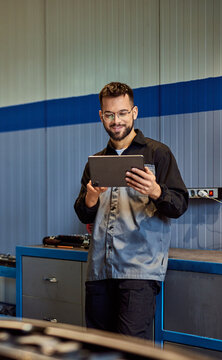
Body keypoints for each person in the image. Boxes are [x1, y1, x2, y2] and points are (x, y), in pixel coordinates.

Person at [74, 82, 188, 339]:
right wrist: (91, 198)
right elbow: (83, 213)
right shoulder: (96, 162)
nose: (117, 120)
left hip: (139, 272)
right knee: (97, 349)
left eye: (123, 113)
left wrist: (156, 191)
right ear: (101, 116)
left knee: (130, 349)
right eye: (110, 114)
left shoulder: (158, 154)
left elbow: (179, 205)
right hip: (99, 271)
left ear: (134, 112)